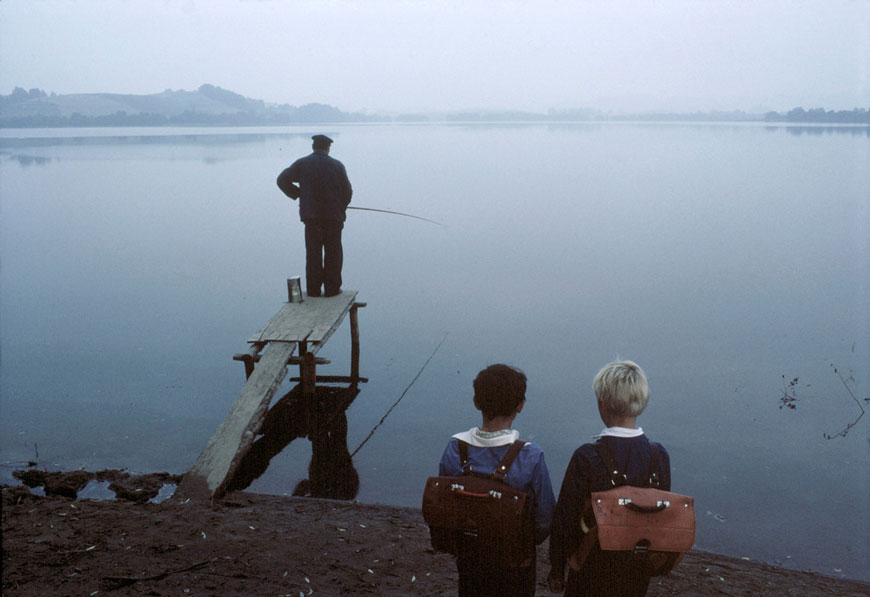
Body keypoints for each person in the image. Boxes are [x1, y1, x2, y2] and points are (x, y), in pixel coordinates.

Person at [548, 360, 671, 596]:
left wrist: (556, 568)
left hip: (590, 566)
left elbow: (564, 519)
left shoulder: (587, 456)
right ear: (641, 402)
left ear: (601, 403)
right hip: (636, 569)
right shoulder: (659, 456)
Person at [438, 364, 555, 597]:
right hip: (515, 559)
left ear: (476, 402)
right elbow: (545, 517)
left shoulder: (455, 448)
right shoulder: (530, 456)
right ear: (520, 405)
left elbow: (444, 502)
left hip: (469, 553)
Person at [276, 134, 352, 297]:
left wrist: (298, 194)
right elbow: (347, 192)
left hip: (311, 218)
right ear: (328, 148)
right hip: (333, 218)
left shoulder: (302, 164)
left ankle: (314, 290)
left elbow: (282, 180)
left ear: (313, 147)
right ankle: (332, 289)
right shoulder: (337, 166)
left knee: (313, 254)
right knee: (333, 253)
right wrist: (341, 208)